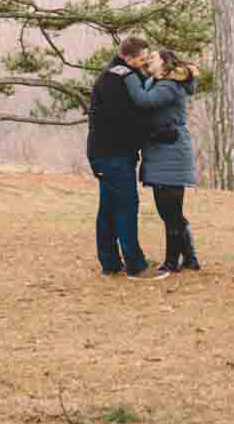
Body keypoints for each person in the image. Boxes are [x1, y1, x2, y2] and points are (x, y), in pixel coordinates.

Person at [123, 48, 201, 276]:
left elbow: (144, 102)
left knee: (170, 211)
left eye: (154, 58)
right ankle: (189, 258)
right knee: (169, 211)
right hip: (159, 151)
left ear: (165, 63)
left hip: (172, 153)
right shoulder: (155, 82)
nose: (149, 60)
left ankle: (172, 261)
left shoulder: (169, 86)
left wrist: (127, 76)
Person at [86, 33, 153, 277]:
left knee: (109, 208)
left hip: (106, 153)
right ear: (127, 57)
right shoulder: (115, 79)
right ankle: (135, 265)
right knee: (125, 206)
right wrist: (150, 132)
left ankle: (110, 263)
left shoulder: (116, 75)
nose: (144, 62)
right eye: (141, 59)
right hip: (112, 154)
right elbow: (123, 119)